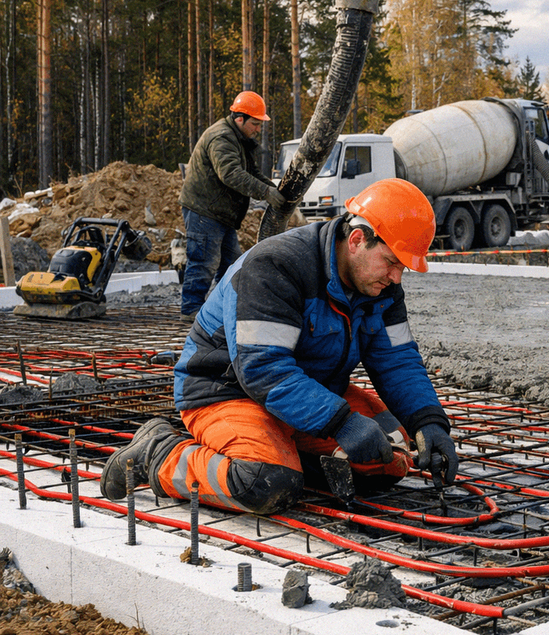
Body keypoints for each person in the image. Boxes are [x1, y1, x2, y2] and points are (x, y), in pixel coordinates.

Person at [100, 178, 458, 514]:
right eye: (392, 262)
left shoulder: (379, 287)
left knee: (391, 454)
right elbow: (263, 369)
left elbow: (397, 360)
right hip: (227, 391)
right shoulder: (277, 266)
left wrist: (427, 422)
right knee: (265, 481)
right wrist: (342, 422)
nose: (396, 278)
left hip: (308, 393)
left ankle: (287, 449)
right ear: (357, 240)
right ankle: (158, 454)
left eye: (403, 269)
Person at [179, 90, 288, 319]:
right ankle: (190, 309)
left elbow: (252, 172)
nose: (258, 129)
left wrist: (274, 190)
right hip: (204, 210)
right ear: (240, 119)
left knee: (231, 263)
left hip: (220, 212)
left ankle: (221, 306)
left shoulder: (239, 138)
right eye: (255, 124)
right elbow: (230, 174)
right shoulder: (221, 137)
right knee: (205, 261)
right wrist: (266, 192)